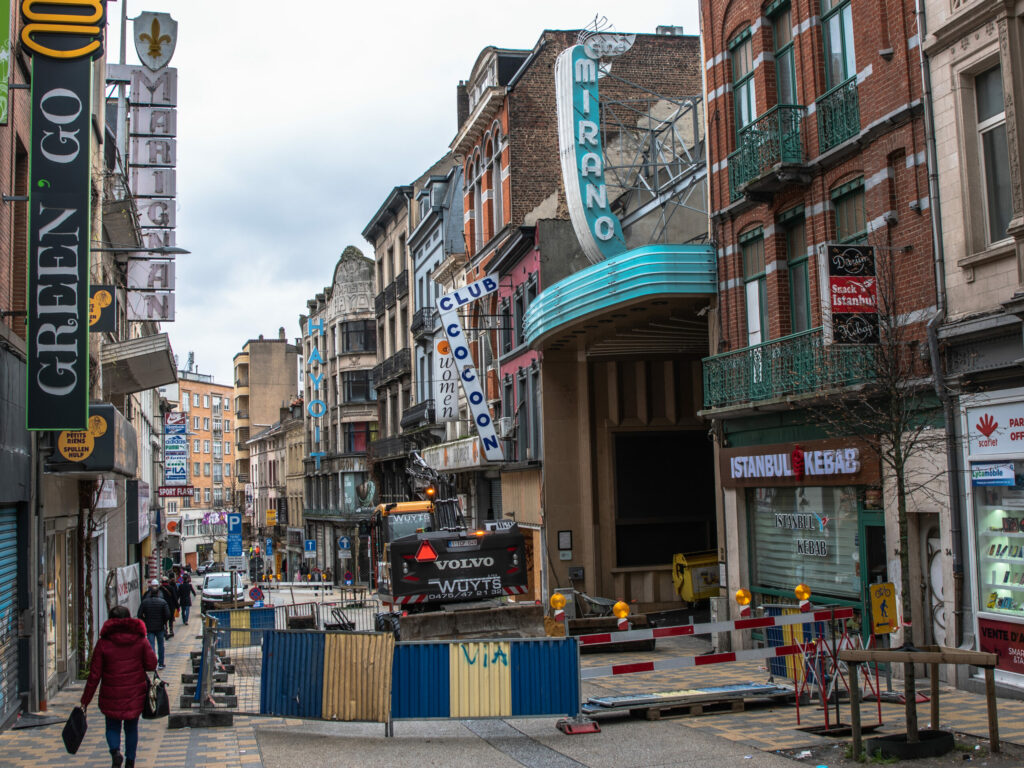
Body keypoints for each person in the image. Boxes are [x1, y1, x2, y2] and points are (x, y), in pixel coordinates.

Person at [81, 605, 157, 768]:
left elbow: (94, 675)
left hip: (111, 693)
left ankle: (115, 753)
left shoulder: (104, 643)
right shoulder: (140, 640)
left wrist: (85, 701)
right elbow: (152, 664)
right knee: (131, 728)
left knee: (112, 726)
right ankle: (130, 761)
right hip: (134, 693)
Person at [137, 579, 170, 669]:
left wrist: (145, 620)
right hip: (160, 627)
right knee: (161, 645)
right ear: (158, 593)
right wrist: (163, 621)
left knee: (151, 645)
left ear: (150, 593)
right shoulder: (163, 602)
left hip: (149, 627)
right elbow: (167, 615)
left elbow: (139, 614)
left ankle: (152, 663)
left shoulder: (145, 602)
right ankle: (161, 663)